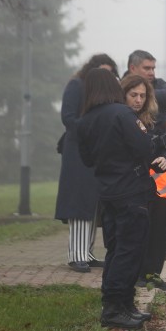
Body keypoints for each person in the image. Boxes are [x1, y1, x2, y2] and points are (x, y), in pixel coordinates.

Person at [77, 68, 166, 330]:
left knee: (116, 250)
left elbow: (87, 159)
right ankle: (116, 308)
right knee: (130, 250)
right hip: (132, 190)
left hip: (107, 191)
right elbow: (145, 147)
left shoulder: (84, 121)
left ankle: (122, 304)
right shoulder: (122, 114)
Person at [126, 50, 166, 291]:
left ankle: (154, 273)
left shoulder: (159, 88)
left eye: (153, 68)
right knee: (141, 225)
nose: (152, 73)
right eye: (146, 69)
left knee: (163, 224)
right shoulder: (126, 98)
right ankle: (138, 273)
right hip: (140, 173)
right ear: (132, 69)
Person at [56, 54, 118, 273]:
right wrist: (91, 128)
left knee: (92, 203)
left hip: (95, 150)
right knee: (79, 202)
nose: (105, 75)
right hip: (77, 151)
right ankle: (77, 255)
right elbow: (68, 117)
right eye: (103, 70)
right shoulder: (76, 85)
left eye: (110, 72)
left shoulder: (101, 93)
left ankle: (87, 253)